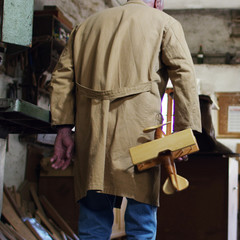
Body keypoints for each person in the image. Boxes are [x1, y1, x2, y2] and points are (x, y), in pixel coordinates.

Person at [49, 0, 201, 238]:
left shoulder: (86, 26)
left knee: (93, 223)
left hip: (92, 138)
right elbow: (184, 75)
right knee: (141, 222)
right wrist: (185, 132)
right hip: (141, 136)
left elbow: (61, 78)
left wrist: (64, 129)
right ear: (158, 2)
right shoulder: (165, 23)